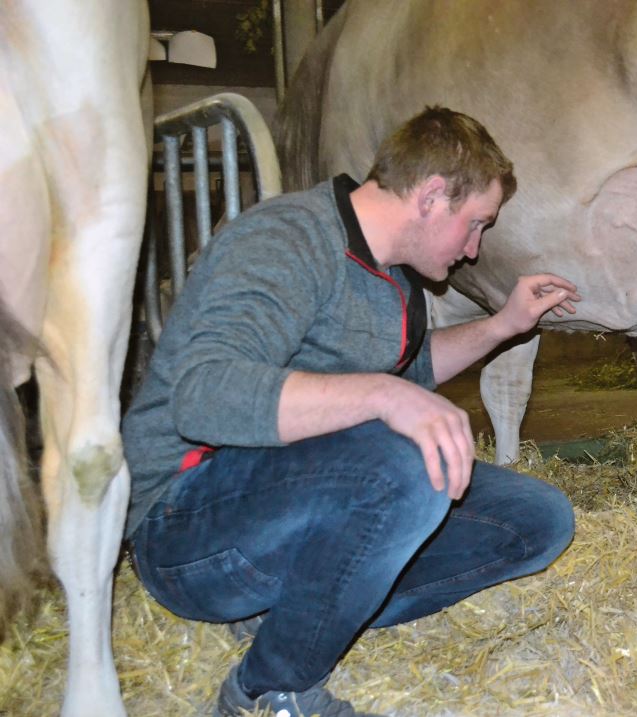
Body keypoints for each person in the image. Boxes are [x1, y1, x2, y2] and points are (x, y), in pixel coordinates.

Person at [122, 106, 580, 717]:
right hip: (185, 528)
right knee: (408, 468)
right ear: (433, 196)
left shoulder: (391, 277)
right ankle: (268, 692)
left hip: (289, 511)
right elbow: (204, 394)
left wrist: (502, 327)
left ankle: (297, 612)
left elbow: (411, 378)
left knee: (537, 519)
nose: (474, 250)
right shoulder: (287, 238)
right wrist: (385, 397)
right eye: (476, 225)